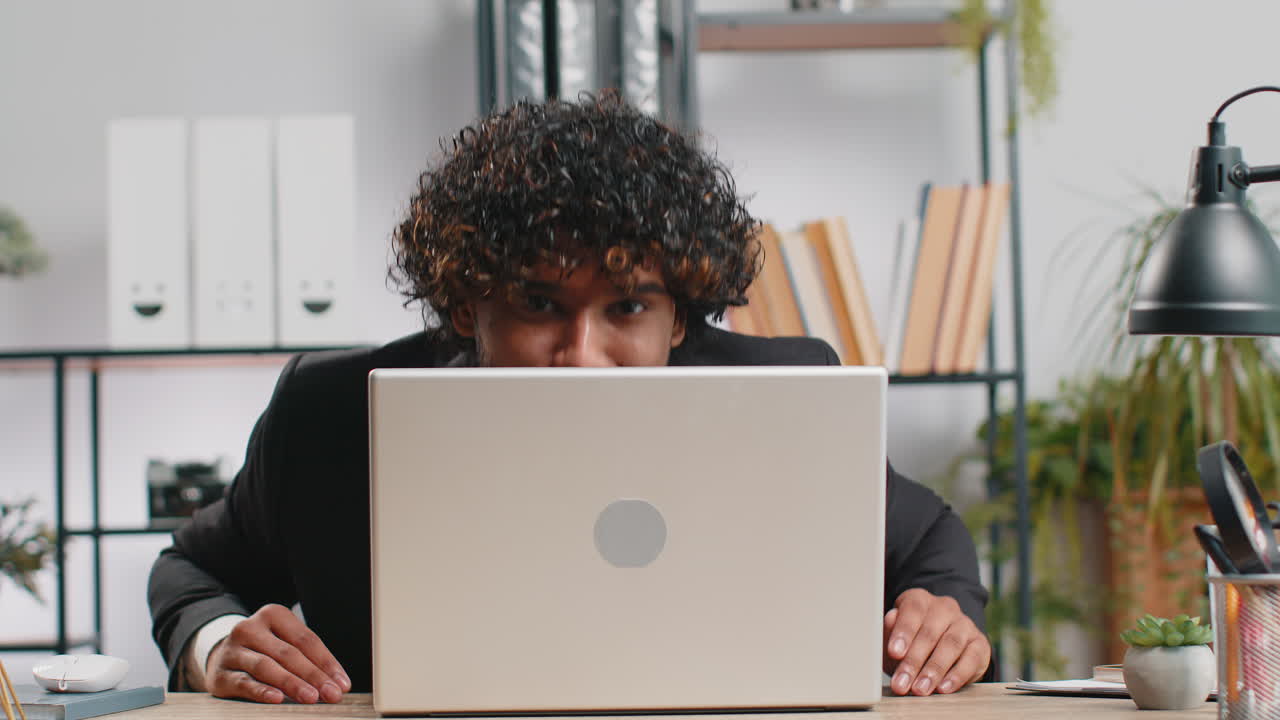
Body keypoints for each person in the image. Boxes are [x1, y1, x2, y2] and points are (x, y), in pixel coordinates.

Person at [147, 91, 991, 705]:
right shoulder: (328, 413)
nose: (581, 357)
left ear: (680, 321)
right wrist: (217, 644)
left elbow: (928, 538)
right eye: (538, 304)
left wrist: (941, 615)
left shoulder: (782, 401)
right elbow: (190, 568)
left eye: (626, 307)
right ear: (467, 302)